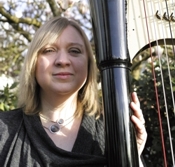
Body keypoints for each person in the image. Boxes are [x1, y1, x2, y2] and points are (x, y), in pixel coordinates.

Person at [0, 16, 147, 167]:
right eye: (49, 50)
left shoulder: (112, 134)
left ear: (88, 65)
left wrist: (130, 156)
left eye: (74, 51)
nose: (63, 60)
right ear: (33, 62)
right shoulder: (3, 129)